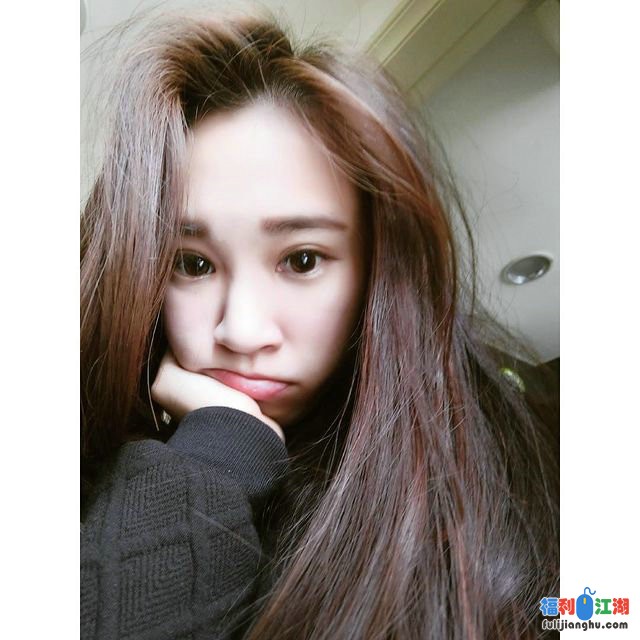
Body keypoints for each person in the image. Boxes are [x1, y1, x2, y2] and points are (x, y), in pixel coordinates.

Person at [80, 9, 559, 639]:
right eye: (193, 264)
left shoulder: (510, 506)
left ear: (376, 270)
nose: (241, 332)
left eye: (302, 260)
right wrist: (220, 452)